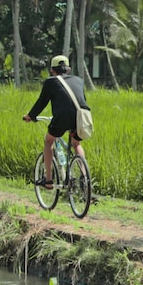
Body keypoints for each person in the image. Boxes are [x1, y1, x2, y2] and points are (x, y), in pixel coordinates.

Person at [23, 55, 89, 188]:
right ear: (68, 69)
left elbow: (42, 102)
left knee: (49, 141)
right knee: (76, 144)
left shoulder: (51, 82)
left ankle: (48, 180)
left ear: (52, 70)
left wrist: (30, 116)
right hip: (81, 116)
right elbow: (82, 99)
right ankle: (85, 179)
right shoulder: (79, 80)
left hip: (62, 117)